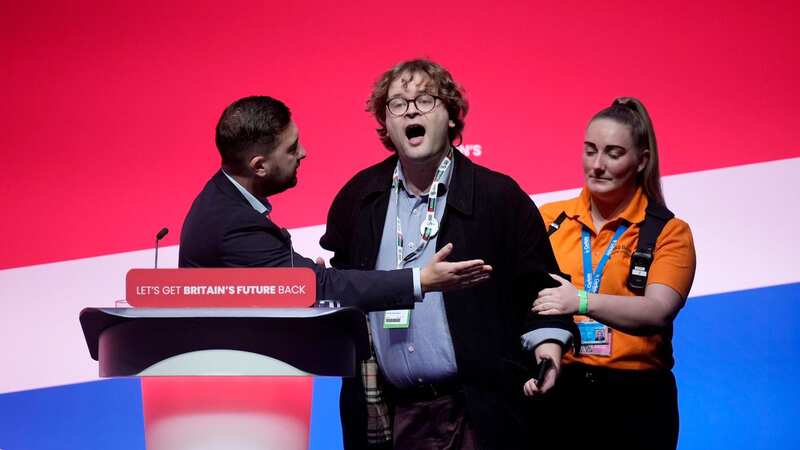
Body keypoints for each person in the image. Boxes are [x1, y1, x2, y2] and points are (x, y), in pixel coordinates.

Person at [320, 59, 577, 450]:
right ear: (386, 125)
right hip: (389, 413)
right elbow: (345, 287)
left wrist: (549, 347)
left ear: (453, 117)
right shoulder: (359, 197)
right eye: (397, 103)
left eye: (424, 100)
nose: (410, 110)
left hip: (477, 411)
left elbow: (542, 288)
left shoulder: (498, 197)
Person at [179, 95, 492, 311]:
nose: (303, 153)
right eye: (291, 149)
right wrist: (420, 279)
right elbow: (318, 287)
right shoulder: (232, 223)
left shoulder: (221, 201)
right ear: (259, 166)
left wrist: (297, 272)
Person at [526, 97, 696, 449]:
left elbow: (657, 311)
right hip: (562, 387)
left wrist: (581, 301)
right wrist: (547, 355)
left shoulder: (669, 232)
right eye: (590, 151)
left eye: (614, 154)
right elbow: (528, 303)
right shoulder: (550, 220)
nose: (597, 165)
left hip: (636, 399)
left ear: (641, 161)